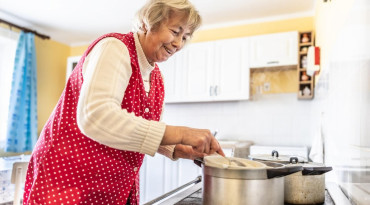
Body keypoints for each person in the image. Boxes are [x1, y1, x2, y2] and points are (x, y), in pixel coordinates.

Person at [23, 0, 224, 204]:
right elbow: (96, 117)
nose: (178, 43)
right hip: (69, 181)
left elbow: (139, 130)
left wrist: (177, 148)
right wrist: (181, 133)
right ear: (148, 22)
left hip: (113, 186)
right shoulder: (115, 48)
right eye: (175, 31)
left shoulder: (156, 77)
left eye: (185, 37)